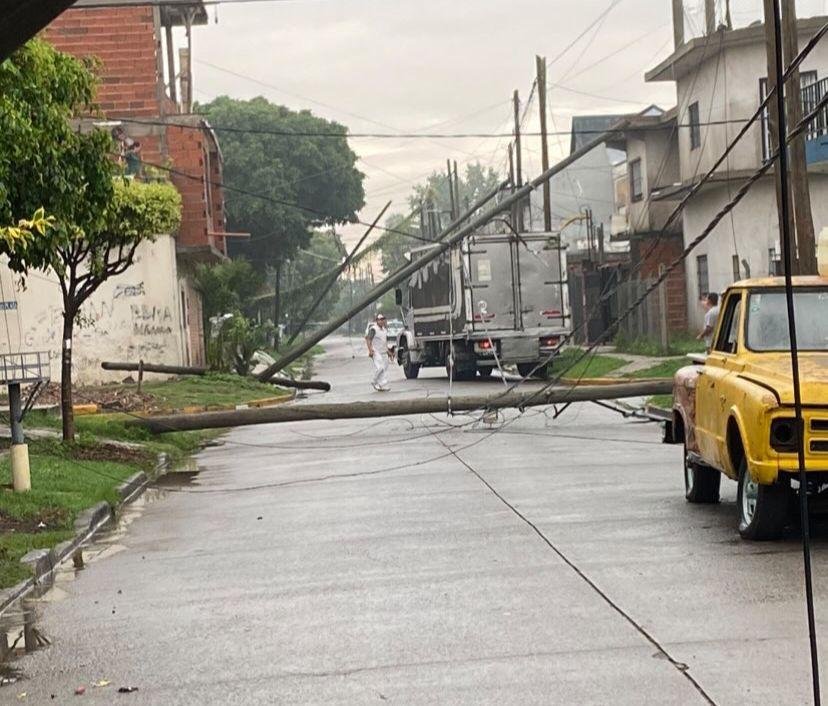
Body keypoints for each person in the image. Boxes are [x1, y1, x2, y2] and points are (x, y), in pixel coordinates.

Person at [365, 313, 392, 391]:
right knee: (380, 368)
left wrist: (388, 352)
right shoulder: (374, 329)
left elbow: (384, 342)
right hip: (376, 352)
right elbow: (368, 339)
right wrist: (370, 350)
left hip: (384, 352)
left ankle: (381, 384)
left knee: (385, 369)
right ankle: (374, 381)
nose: (382, 321)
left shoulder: (384, 330)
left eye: (383, 319)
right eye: (380, 319)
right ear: (377, 320)